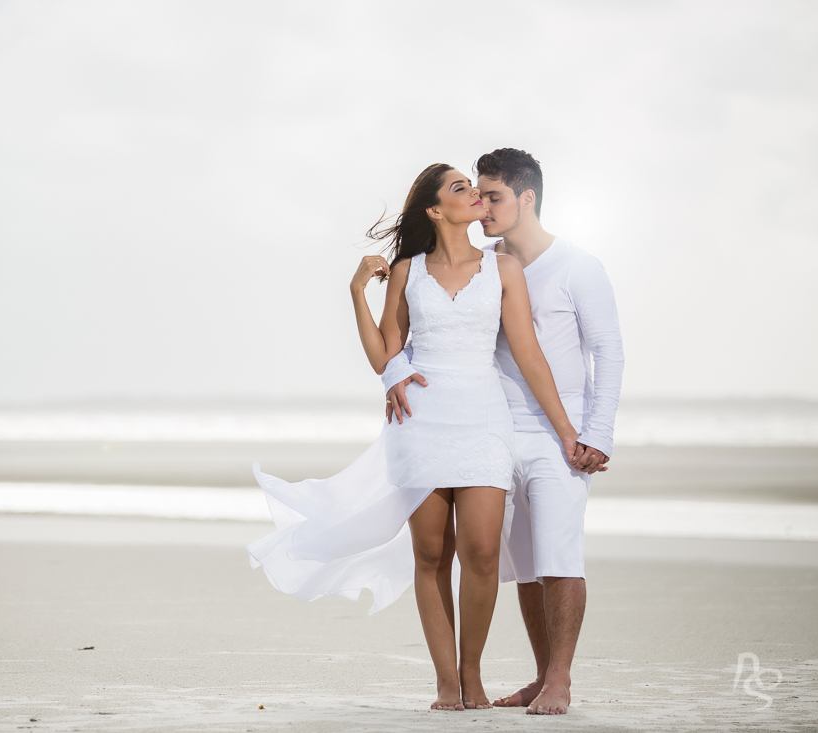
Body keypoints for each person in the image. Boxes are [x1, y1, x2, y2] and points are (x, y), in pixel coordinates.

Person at [247, 162, 581, 712]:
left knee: (480, 551)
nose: (474, 193)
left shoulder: (505, 270)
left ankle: (472, 674)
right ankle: (447, 683)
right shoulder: (407, 271)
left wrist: (567, 431)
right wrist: (357, 292)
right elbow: (386, 355)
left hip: (482, 420)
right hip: (419, 423)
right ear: (435, 210)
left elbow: (528, 355)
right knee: (431, 554)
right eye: (460, 188)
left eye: (472, 186)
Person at [383, 148, 625, 715]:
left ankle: (560, 680)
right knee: (519, 563)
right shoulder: (479, 259)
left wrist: (593, 433)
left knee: (557, 553)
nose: (483, 205)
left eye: (492, 196)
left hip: (551, 428)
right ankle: (540, 677)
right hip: (488, 423)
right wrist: (395, 369)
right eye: (477, 194)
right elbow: (426, 337)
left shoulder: (576, 267)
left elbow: (605, 352)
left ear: (527, 199)